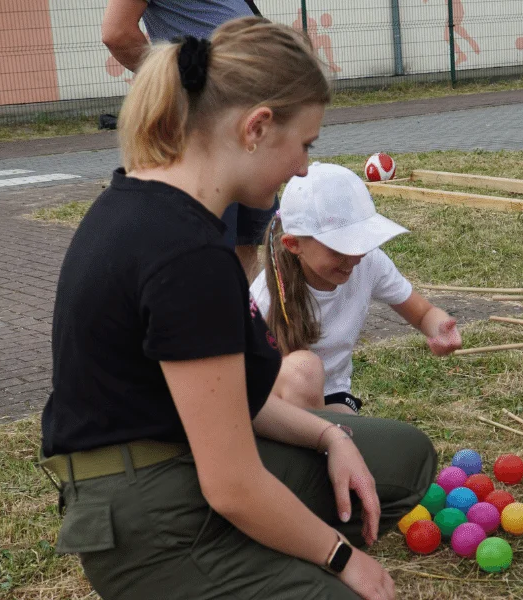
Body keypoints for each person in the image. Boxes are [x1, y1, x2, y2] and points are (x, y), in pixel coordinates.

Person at [42, 17, 435, 600]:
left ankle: (261, 546)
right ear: (256, 128)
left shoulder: (158, 209)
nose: (303, 167)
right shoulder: (184, 255)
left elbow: (227, 402)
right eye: (305, 145)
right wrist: (340, 557)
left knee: (401, 459)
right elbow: (231, 484)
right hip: (146, 516)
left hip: (179, 461)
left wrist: (332, 440)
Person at [251, 162, 463, 415]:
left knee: (351, 434)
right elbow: (241, 383)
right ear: (294, 244)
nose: (355, 256)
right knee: (303, 369)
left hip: (332, 393)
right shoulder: (265, 296)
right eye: (339, 247)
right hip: (272, 404)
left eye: (360, 241)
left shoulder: (369, 263)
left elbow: (422, 313)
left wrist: (439, 328)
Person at [102, 0, 278, 281]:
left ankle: (248, 322)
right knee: (212, 248)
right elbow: (117, 33)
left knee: (250, 241)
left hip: (248, 114)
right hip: (211, 121)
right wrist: (179, 83)